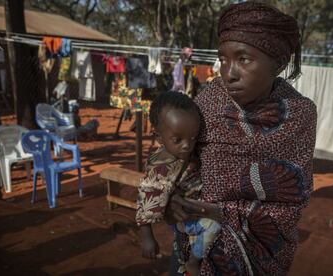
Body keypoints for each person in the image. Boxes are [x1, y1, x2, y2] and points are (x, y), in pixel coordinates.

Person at [164, 2, 317, 275]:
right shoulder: (208, 101)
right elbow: (177, 159)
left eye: (243, 59)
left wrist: (220, 213)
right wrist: (170, 198)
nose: (229, 73)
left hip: (257, 255)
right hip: (194, 240)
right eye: (223, 59)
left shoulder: (300, 114)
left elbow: (293, 199)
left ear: (278, 64)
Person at [135, 91, 221, 276]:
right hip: (186, 219)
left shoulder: (182, 152)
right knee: (214, 226)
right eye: (178, 140)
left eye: (193, 138)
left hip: (191, 214)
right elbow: (146, 200)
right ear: (158, 137)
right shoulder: (162, 167)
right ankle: (194, 261)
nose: (187, 146)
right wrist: (148, 237)